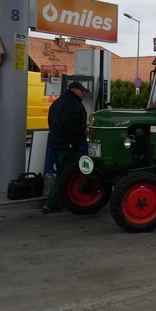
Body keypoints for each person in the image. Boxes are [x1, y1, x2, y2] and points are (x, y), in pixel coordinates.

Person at [43, 81, 88, 213]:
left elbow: (51, 121)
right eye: (82, 91)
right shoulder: (73, 103)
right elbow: (69, 121)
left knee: (61, 173)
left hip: (56, 143)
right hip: (67, 144)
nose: (84, 94)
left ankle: (57, 202)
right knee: (65, 175)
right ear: (75, 90)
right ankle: (51, 203)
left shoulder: (58, 102)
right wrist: (82, 130)